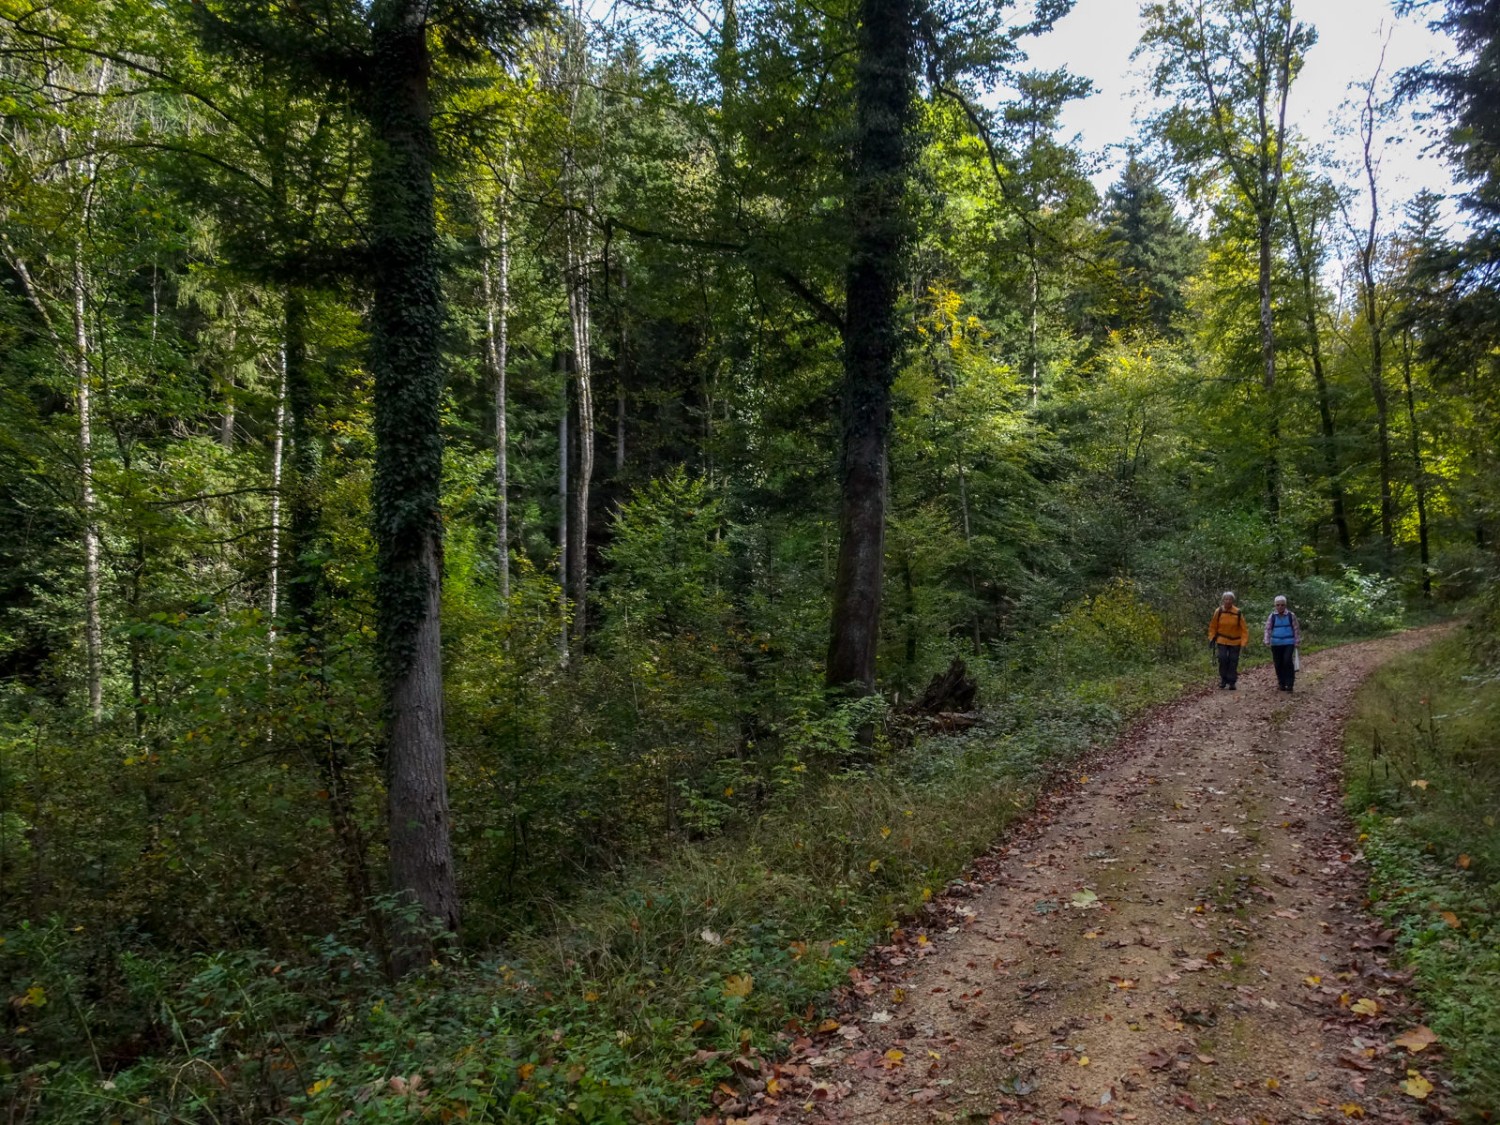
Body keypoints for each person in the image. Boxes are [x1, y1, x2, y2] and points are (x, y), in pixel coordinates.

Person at [1207, 591, 1249, 689]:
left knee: (1233, 660)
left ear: (1233, 601)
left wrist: (1244, 642)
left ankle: (1232, 681)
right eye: (1226, 599)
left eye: (1230, 599)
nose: (1228, 601)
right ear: (1223, 600)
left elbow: (1244, 629)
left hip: (1235, 641)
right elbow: (1213, 626)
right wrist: (1211, 637)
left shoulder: (1238, 612)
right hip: (1222, 639)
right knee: (1222, 658)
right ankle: (1223, 679)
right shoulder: (1219, 611)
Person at [1263, 594, 1302, 691]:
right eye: (1278, 605)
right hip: (1276, 643)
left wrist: (1297, 641)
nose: (1280, 607)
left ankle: (1290, 683)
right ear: (1275, 605)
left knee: (1287, 661)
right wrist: (1267, 640)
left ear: (1285, 605)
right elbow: (1267, 629)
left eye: (1282, 605)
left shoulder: (1291, 616)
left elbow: (1296, 629)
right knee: (1278, 663)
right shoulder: (1272, 616)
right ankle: (1281, 682)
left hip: (1289, 642)